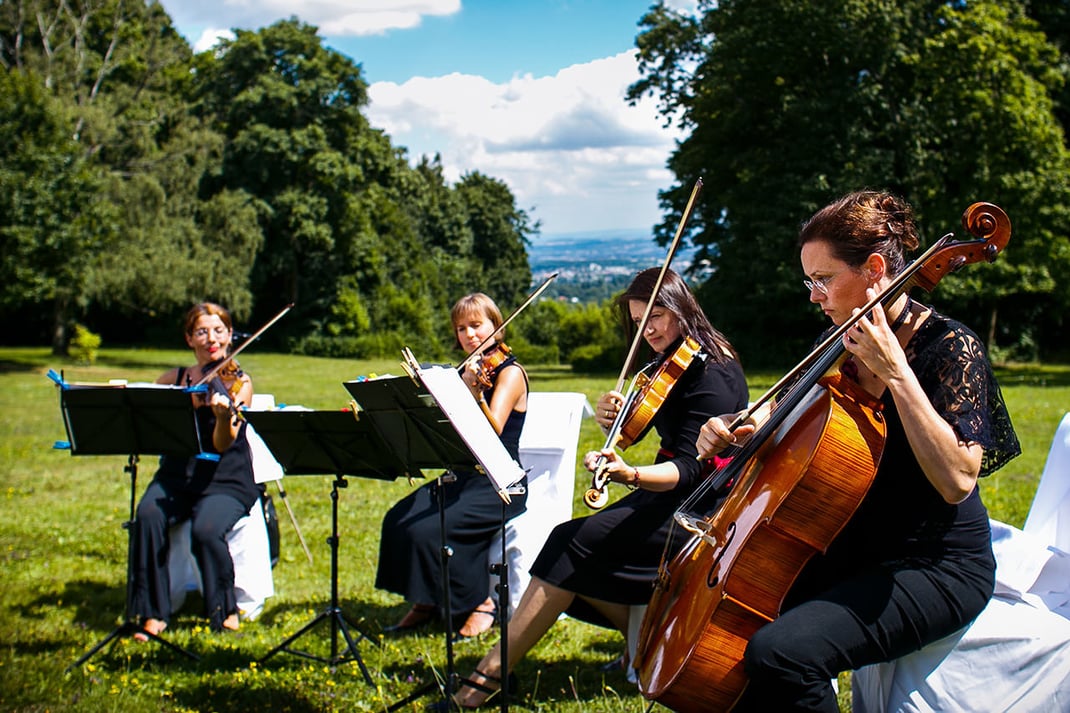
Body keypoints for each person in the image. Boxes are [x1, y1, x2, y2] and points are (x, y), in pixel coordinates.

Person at [693, 190, 1021, 711]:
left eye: (822, 280)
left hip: (935, 564)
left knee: (782, 654)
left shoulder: (949, 346)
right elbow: (772, 417)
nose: (813, 295)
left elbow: (958, 479)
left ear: (873, 268)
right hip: (851, 545)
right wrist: (732, 428)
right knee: (732, 632)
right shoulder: (838, 343)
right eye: (810, 281)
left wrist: (897, 372)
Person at [451, 267, 749, 708]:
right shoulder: (673, 362)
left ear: (682, 308)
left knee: (569, 546)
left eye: (657, 316)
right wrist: (616, 415)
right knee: (568, 548)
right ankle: (642, 634)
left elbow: (689, 468)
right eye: (639, 321)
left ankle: (484, 681)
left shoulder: (714, 372)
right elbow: (648, 427)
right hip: (666, 494)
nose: (647, 330)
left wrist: (628, 473)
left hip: (700, 507)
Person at [376, 293, 529, 639]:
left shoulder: (511, 373)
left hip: (500, 482)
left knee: (435, 529)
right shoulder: (463, 372)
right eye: (461, 328)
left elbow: (493, 431)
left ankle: (481, 603)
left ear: (496, 326)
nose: (469, 335)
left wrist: (473, 394)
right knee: (399, 520)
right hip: (462, 475)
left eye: (477, 325)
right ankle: (426, 598)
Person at [131, 302, 261, 638]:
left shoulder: (238, 382)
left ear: (231, 335)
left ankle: (224, 608)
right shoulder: (173, 379)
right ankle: (153, 612)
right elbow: (146, 417)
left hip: (225, 481)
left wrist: (221, 417)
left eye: (219, 331)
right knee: (147, 515)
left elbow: (223, 444)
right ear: (189, 338)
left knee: (205, 529)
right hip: (177, 475)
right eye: (201, 332)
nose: (211, 339)